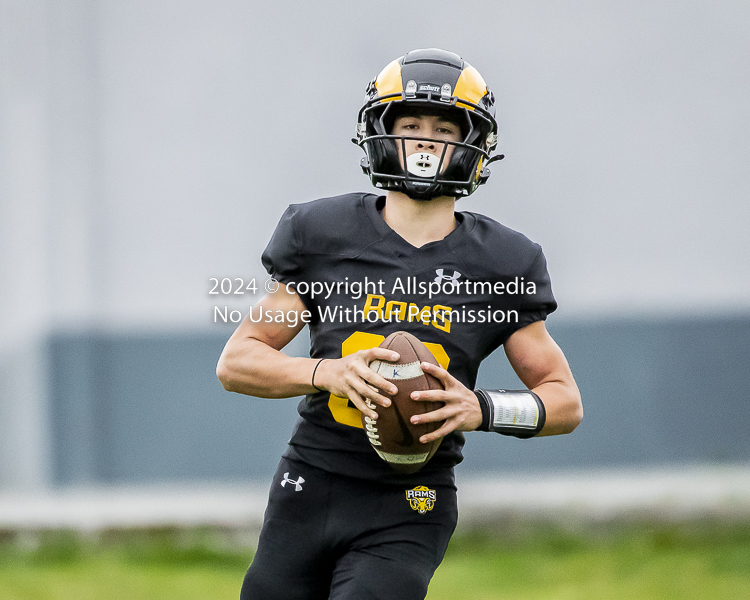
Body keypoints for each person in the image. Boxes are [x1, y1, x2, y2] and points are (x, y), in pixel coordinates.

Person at [217, 48, 582, 600]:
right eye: (411, 124)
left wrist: (481, 409)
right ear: (382, 134)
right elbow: (238, 361)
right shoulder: (321, 232)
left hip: (412, 497)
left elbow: (564, 402)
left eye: (444, 127)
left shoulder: (504, 261)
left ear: (473, 145)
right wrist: (328, 373)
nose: (427, 140)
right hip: (311, 482)